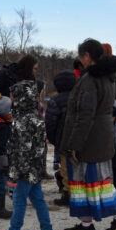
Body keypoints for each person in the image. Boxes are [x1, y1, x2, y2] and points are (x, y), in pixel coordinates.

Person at [60, 38, 116, 230]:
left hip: (90, 140)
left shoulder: (91, 79)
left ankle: (100, 222)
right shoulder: (108, 76)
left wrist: (74, 144)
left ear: (87, 56)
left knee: (86, 181)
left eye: (80, 56)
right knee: (100, 181)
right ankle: (98, 222)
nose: (79, 60)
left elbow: (85, 115)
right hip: (102, 136)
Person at [0, 55, 57, 230]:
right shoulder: (35, 116)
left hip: (25, 166)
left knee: (20, 198)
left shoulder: (21, 119)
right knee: (37, 198)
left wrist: (17, 169)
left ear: (18, 96)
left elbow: (20, 147)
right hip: (35, 164)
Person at [45, 70, 77, 206]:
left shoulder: (55, 101)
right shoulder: (79, 97)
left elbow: (50, 123)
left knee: (65, 169)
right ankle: (79, 192)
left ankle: (68, 195)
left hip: (63, 140)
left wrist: (54, 140)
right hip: (80, 139)